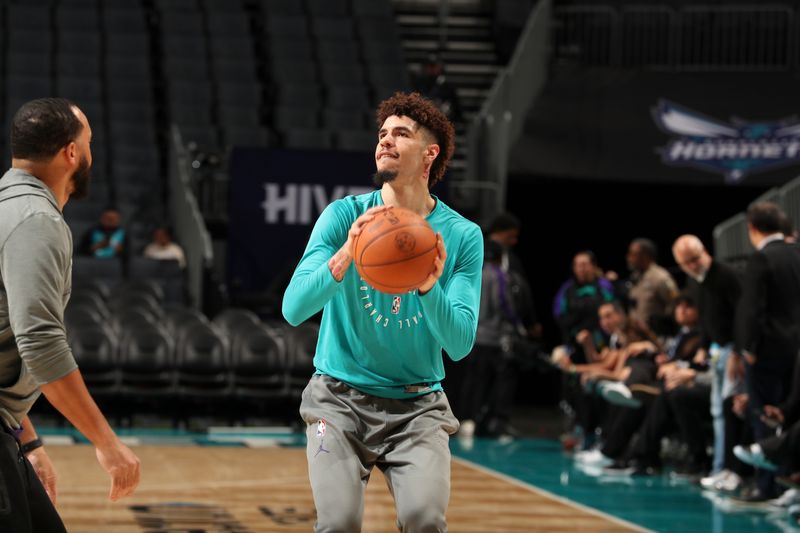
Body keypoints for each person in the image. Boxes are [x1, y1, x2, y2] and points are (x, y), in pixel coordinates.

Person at [282, 92, 483, 532]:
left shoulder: (463, 236)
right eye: (382, 134)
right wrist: (345, 256)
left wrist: (429, 285)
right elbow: (293, 309)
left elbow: (461, 343)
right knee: (337, 523)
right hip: (334, 404)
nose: (385, 142)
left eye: (401, 134)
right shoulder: (343, 216)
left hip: (418, 408)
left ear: (430, 153)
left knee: (424, 519)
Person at [0, 98, 140, 531]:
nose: (91, 153)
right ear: (71, 153)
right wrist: (107, 443)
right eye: (89, 142)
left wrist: (28, 439)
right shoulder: (35, 220)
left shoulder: (11, 206)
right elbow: (40, 343)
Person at [734, 201, 800, 502]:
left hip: (767, 351)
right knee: (788, 413)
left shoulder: (762, 258)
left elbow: (752, 309)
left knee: (764, 416)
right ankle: (789, 482)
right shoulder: (795, 253)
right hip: (795, 350)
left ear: (752, 228)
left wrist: (748, 347)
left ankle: (767, 486)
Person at [671, 234, 743, 488]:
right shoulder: (696, 282)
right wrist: (703, 346)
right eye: (686, 263)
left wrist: (738, 351)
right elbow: (707, 319)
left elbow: (742, 315)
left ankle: (732, 470)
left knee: (729, 410)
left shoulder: (725, 275)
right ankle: (719, 468)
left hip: (733, 350)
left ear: (704, 252)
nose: (692, 265)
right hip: (717, 349)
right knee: (718, 412)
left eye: (695, 259)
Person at [459, 240, 528, 439]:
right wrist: (517, 325)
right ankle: (493, 422)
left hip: (473, 336)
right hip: (493, 337)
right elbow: (504, 304)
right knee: (497, 382)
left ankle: (468, 420)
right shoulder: (499, 276)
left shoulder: (473, 274)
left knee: (474, 381)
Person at [625, 238, 678, 336]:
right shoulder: (635, 277)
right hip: (639, 335)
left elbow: (674, 303)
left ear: (645, 256)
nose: (629, 257)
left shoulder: (660, 277)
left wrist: (661, 323)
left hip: (658, 335)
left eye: (633, 254)